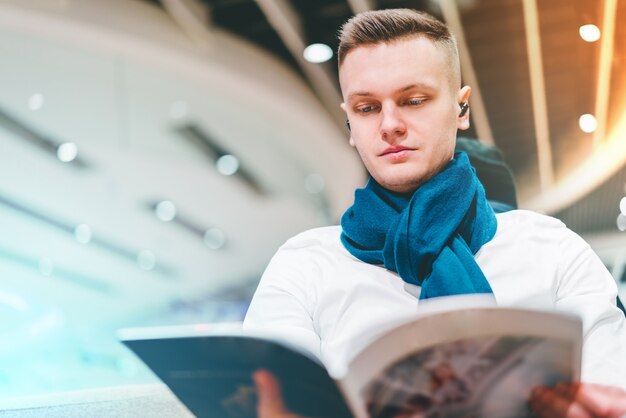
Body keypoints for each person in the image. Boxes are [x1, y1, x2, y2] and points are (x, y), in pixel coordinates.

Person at [244, 8, 626, 416]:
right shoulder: (304, 265)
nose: (389, 124)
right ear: (350, 125)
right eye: (367, 108)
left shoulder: (553, 252)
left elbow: (612, 389)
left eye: (413, 100)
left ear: (462, 109)